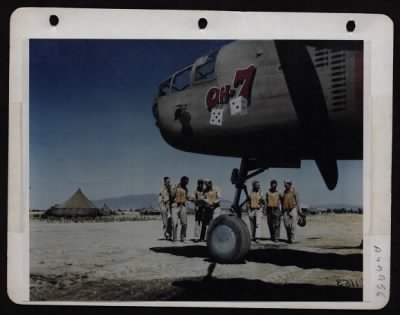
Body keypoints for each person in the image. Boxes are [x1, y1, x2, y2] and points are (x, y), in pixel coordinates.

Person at [170, 176, 190, 242]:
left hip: (183, 206)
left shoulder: (186, 189)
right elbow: (172, 196)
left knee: (184, 223)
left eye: (187, 183)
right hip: (175, 206)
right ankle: (174, 238)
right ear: (181, 181)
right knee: (174, 223)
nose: (186, 184)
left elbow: (187, 197)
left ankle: (182, 237)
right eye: (185, 183)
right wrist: (175, 188)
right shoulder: (175, 186)